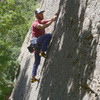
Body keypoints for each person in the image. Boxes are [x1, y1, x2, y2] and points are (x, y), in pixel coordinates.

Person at [31, 9, 57, 83]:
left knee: (37, 62)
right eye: (40, 14)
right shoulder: (35, 23)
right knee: (48, 36)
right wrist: (52, 21)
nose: (42, 15)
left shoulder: (41, 21)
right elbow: (42, 26)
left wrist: (54, 16)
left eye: (42, 13)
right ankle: (42, 51)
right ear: (36, 16)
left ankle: (33, 77)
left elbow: (48, 20)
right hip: (37, 42)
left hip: (36, 45)